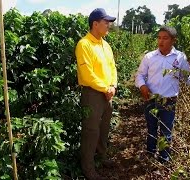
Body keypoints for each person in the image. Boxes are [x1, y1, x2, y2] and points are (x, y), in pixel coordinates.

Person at [135, 26, 190, 163]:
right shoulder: (149, 57)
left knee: (166, 131)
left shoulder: (180, 57)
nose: (161, 41)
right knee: (151, 129)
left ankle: (164, 159)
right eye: (159, 38)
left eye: (165, 38)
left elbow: (186, 77)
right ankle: (150, 154)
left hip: (169, 101)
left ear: (173, 40)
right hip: (151, 99)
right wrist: (142, 86)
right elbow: (140, 75)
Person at [75, 8, 117, 180]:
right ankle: (88, 168)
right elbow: (87, 75)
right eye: (106, 22)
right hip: (93, 94)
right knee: (91, 131)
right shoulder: (84, 44)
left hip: (108, 93)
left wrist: (113, 85)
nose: (109, 25)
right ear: (95, 24)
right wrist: (105, 88)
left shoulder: (105, 45)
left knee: (104, 128)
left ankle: (102, 157)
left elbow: (113, 67)